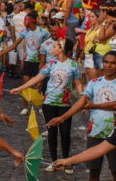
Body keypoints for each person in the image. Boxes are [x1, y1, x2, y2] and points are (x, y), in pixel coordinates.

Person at [47, 50, 116, 181]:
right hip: (94, 132)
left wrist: (93, 105)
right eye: (106, 62)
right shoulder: (94, 83)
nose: (108, 65)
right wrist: (63, 118)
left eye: (112, 63)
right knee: (93, 172)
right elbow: (81, 102)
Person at [11, 39, 83, 168]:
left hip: (65, 104)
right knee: (52, 133)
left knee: (65, 133)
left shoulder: (73, 65)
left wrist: (83, 97)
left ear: (61, 49)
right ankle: (54, 162)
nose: (52, 49)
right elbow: (37, 78)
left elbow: (77, 83)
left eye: (55, 46)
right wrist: (20, 88)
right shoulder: (50, 64)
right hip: (49, 103)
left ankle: (66, 162)